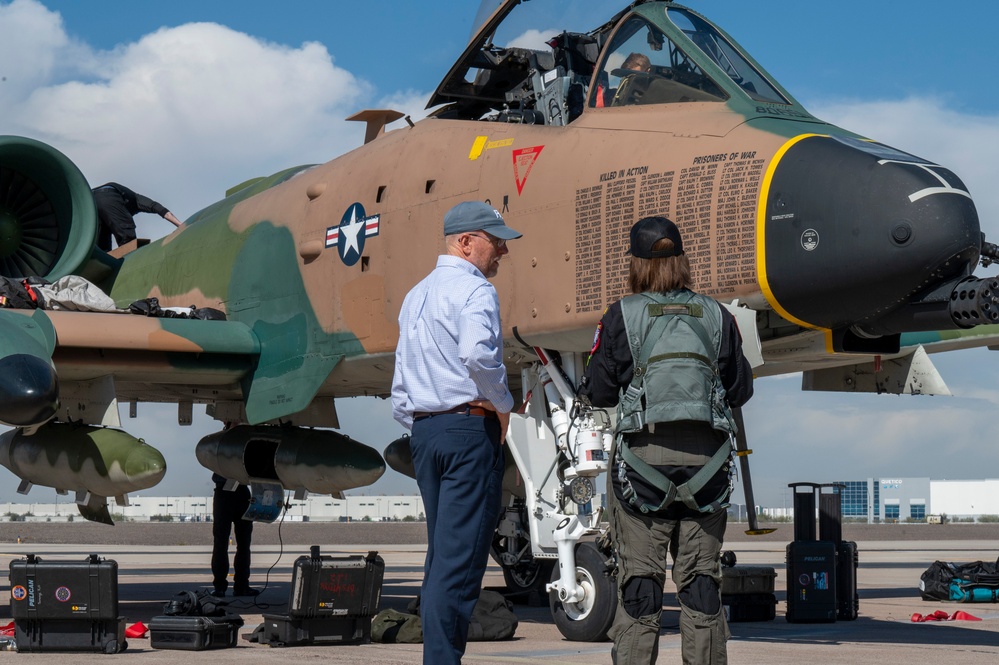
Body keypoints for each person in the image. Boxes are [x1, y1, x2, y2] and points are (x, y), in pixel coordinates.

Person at [578, 216, 753, 665]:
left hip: (642, 474)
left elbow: (599, 390)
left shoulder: (620, 316)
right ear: (682, 259)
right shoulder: (717, 315)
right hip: (709, 474)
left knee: (640, 588)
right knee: (701, 586)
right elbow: (740, 390)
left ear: (636, 264)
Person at [391, 200, 522, 665]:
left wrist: (423, 424)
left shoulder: (416, 294)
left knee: (440, 560)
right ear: (466, 243)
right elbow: (478, 355)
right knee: (460, 564)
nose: (503, 250)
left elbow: (401, 380)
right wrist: (503, 405)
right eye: (495, 239)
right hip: (468, 431)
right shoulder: (474, 290)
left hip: (427, 433)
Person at [91, 182, 182, 251]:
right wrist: (181, 225)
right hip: (108, 195)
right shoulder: (137, 199)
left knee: (102, 248)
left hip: (90, 201)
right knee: (128, 238)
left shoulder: (126, 200)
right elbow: (161, 210)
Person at [210, 473, 258, 597]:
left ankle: (223, 586)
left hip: (228, 491)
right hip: (233, 491)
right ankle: (238, 585)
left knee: (226, 543)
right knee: (239, 544)